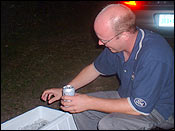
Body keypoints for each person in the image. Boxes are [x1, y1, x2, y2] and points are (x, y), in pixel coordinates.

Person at [41, 4, 174, 130]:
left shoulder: (154, 56)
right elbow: (94, 69)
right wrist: (65, 90)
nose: (99, 43)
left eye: (104, 40)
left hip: (159, 110)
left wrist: (88, 102)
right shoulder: (118, 47)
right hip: (127, 97)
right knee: (79, 107)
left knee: (109, 124)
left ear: (124, 35)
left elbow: (138, 108)